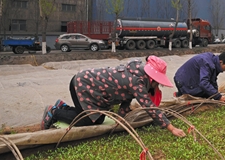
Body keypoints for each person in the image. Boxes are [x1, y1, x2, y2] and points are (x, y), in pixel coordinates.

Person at [41, 56, 186, 137]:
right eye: (158, 83)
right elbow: (150, 107)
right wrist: (172, 128)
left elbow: (125, 98)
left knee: (99, 117)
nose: (157, 87)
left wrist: (120, 118)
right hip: (83, 85)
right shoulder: (137, 81)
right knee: (89, 120)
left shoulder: (137, 74)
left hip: (86, 84)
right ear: (153, 79)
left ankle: (63, 107)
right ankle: (54, 112)